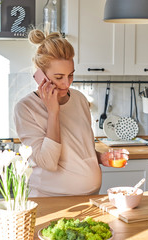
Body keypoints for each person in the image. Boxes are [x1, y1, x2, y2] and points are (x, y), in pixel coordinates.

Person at [14, 29, 128, 197]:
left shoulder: (79, 99)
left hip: (91, 196)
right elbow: (48, 162)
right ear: (40, 75)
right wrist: (53, 111)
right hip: (51, 200)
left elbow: (79, 149)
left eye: (71, 75)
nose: (66, 84)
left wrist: (100, 158)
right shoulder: (26, 108)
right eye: (59, 77)